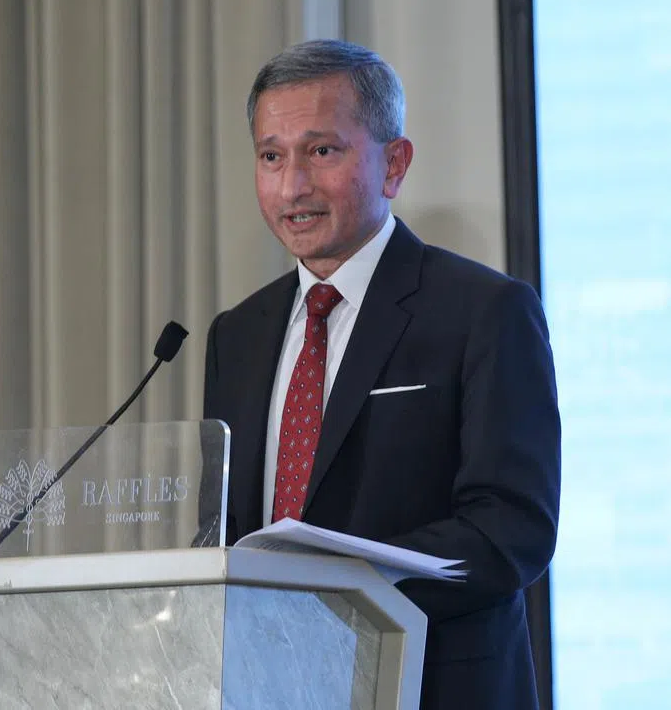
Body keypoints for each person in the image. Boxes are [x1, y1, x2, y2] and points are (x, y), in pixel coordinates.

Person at [202, 39, 561, 709]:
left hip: (437, 683)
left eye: (322, 151)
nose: (292, 186)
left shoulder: (483, 311)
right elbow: (220, 533)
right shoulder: (238, 335)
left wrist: (340, 586)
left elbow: (511, 531)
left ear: (394, 164)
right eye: (271, 156)